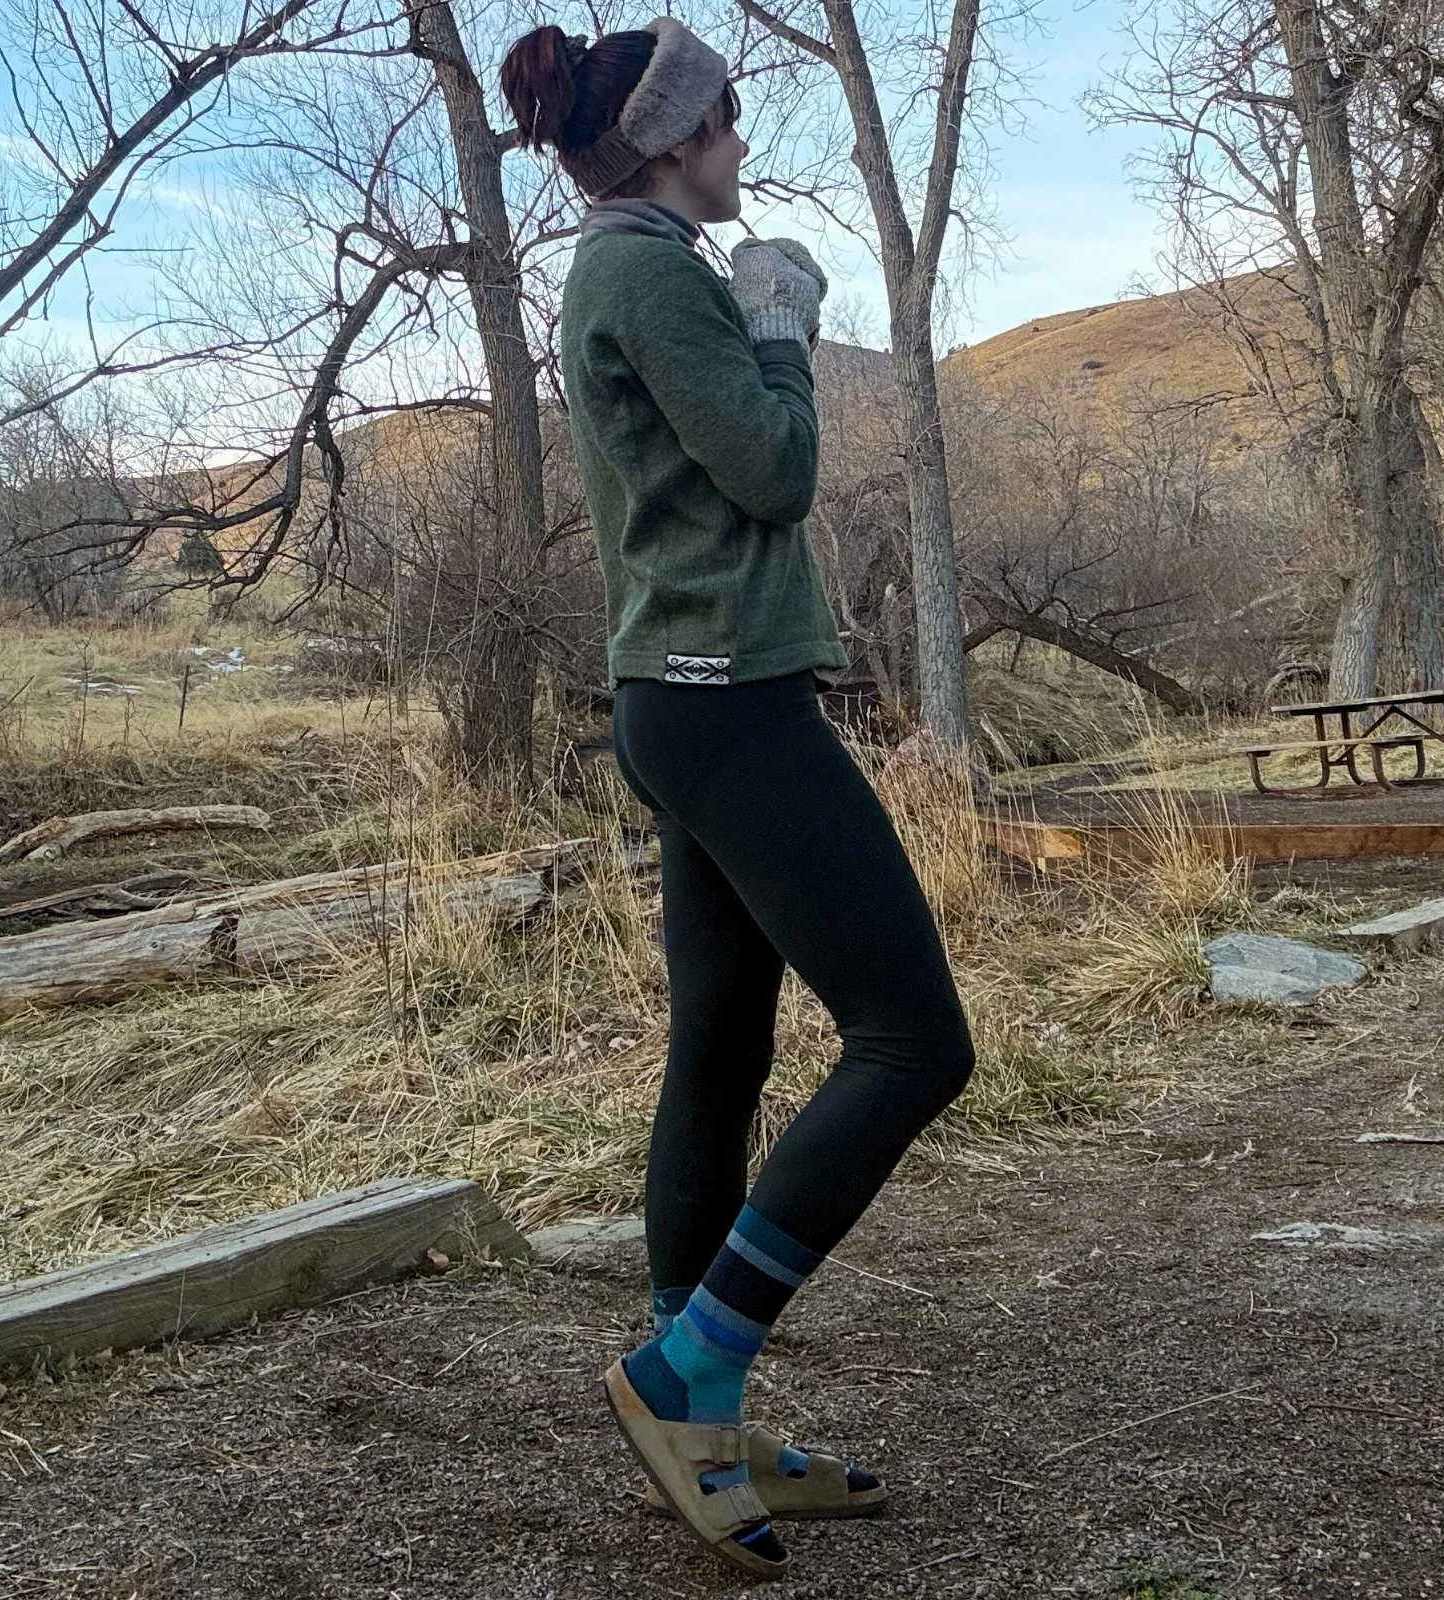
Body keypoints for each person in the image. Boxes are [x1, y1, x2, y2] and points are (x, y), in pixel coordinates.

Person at [498, 16, 977, 1582]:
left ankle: (694, 1426)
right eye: (728, 126)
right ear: (673, 141)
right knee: (915, 1041)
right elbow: (774, 467)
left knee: (722, 1049)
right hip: (725, 707)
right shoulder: (645, 271)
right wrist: (778, 320)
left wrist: (749, 307)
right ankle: (684, 1369)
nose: (743, 150)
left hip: (684, 698)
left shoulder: (630, 263)